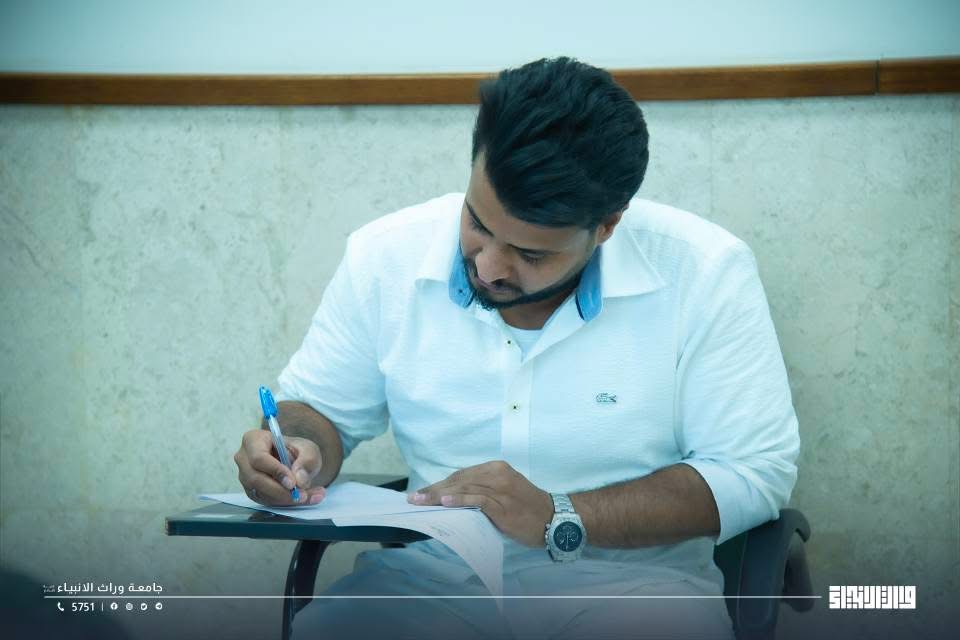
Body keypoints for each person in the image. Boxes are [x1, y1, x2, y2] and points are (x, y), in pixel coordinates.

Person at [234, 57, 799, 639]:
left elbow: (752, 471)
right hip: (428, 583)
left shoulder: (704, 271)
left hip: (633, 588)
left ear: (606, 226)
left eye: (531, 255)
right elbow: (318, 410)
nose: (488, 266)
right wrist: (294, 447)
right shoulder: (385, 256)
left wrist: (562, 514)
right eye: (478, 224)